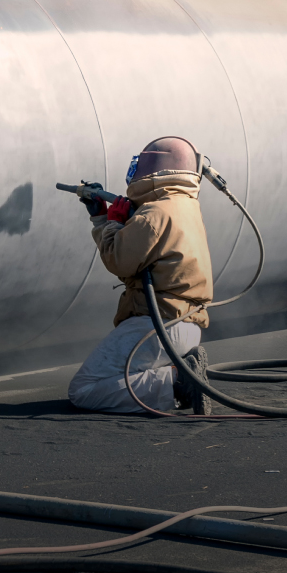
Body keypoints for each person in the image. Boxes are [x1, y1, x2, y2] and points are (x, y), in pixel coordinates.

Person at [67, 136, 215, 414]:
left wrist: (109, 222)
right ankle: (180, 376)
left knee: (84, 389)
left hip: (157, 324)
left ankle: (178, 381)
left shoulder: (154, 213)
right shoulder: (184, 207)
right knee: (109, 381)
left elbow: (118, 261)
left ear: (155, 169)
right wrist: (103, 218)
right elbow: (140, 266)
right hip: (184, 324)